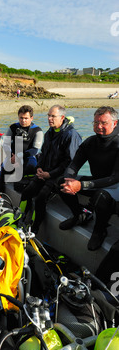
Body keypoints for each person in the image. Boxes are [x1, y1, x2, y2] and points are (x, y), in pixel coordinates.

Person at [59, 106, 119, 251]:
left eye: (104, 123)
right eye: (96, 122)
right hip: (97, 182)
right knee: (60, 183)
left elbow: (115, 178)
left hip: (115, 186)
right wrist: (69, 180)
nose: (99, 126)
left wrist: (81, 185)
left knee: (101, 196)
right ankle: (79, 215)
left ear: (115, 123)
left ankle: (100, 229)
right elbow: (73, 166)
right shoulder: (90, 142)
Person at [21, 104, 82, 233]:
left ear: (62, 117)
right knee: (27, 191)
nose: (49, 118)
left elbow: (70, 163)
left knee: (40, 198)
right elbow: (43, 153)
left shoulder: (71, 135)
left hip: (58, 176)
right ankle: (20, 218)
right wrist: (39, 168)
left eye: (53, 116)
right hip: (45, 172)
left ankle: (34, 228)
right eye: (48, 115)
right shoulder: (50, 132)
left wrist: (50, 174)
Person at [0, 105, 43, 191]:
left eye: (26, 118)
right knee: (1, 173)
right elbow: (6, 144)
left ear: (31, 118)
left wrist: (19, 156)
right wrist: (11, 156)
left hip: (28, 156)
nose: (23, 120)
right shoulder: (13, 127)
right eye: (21, 118)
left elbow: (35, 150)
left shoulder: (37, 130)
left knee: (30, 168)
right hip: (12, 156)